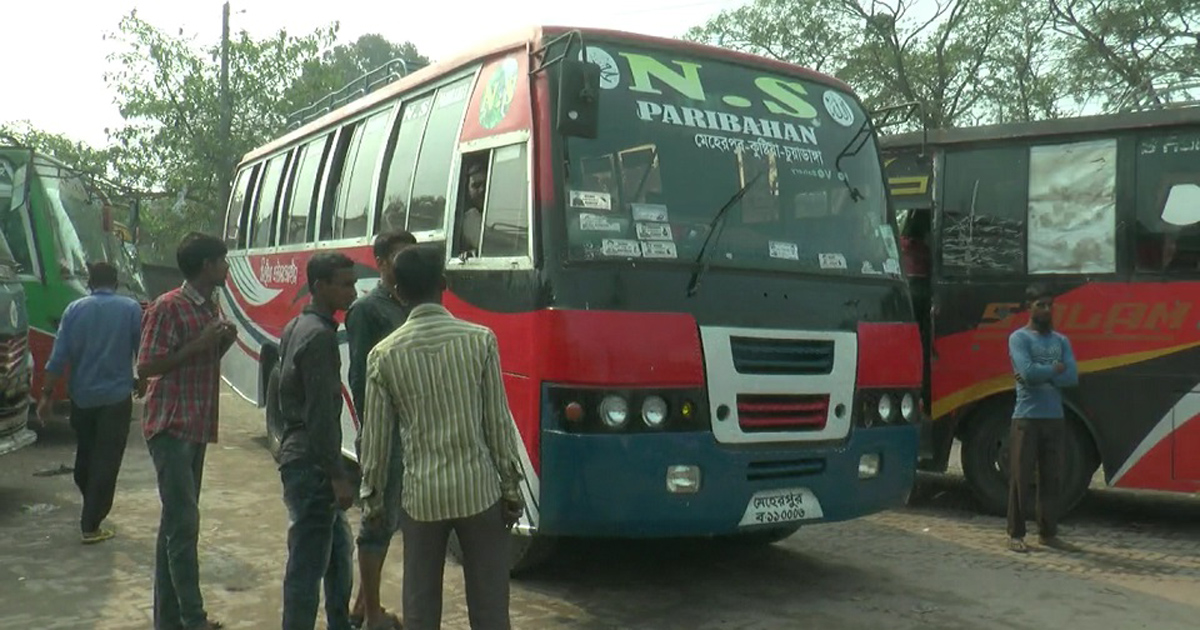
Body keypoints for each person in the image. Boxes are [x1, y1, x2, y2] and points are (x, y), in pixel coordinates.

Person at [359, 245, 525, 630]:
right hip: (479, 491)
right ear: (444, 285)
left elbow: (378, 442)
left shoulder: (384, 355)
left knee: (420, 610)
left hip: (421, 498)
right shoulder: (480, 340)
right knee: (490, 611)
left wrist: (373, 499)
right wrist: (511, 489)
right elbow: (497, 424)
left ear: (397, 290)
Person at [138, 232, 236, 630]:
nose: (228, 267)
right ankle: (193, 620)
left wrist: (221, 342)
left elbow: (201, 361)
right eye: (222, 261)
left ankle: (171, 620)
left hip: (195, 425)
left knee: (175, 527)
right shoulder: (168, 307)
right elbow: (146, 368)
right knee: (183, 527)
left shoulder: (209, 308)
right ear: (206, 266)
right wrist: (200, 344)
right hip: (171, 426)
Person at [277, 252, 360, 630]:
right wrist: (337, 474)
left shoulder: (297, 326)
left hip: (301, 455)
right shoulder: (320, 338)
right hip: (312, 463)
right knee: (308, 567)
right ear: (320, 287)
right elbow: (321, 417)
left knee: (338, 554)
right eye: (344, 284)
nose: (352, 291)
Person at [37, 261, 141, 544]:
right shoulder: (131, 309)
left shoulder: (74, 310)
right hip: (117, 399)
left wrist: (46, 396)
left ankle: (90, 505)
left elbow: (58, 357)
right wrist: (143, 381)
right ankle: (91, 524)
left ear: (90, 283)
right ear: (116, 282)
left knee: (86, 454)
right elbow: (142, 351)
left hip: (81, 398)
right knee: (107, 461)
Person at [347, 230, 417, 630]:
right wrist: (371, 432)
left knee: (389, 521)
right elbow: (359, 377)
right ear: (381, 262)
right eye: (398, 257)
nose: (405, 264)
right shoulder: (367, 310)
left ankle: (362, 604)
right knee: (375, 520)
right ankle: (369, 614)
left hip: (409, 432)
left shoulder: (409, 305)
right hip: (382, 433)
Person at [1007, 284, 1081, 554]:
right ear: (1029, 307)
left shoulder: (1061, 341)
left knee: (1052, 478)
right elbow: (1027, 373)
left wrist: (1043, 373)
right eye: (1041, 305)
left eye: (1050, 305)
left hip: (1054, 418)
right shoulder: (1019, 339)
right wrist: (1053, 369)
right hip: (1026, 418)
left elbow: (1071, 377)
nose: (1047, 310)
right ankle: (1015, 534)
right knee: (1020, 478)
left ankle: (1048, 533)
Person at [458, 161, 487, 254]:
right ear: (467, 190)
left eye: (486, 184)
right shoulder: (466, 218)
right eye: (476, 185)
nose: (482, 190)